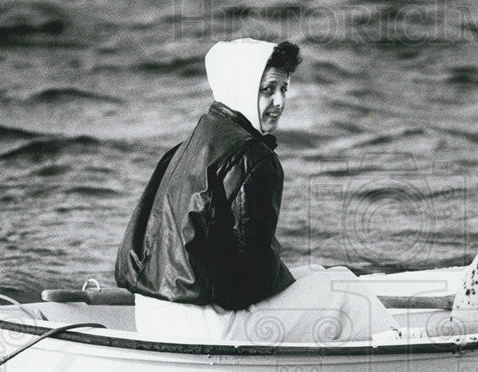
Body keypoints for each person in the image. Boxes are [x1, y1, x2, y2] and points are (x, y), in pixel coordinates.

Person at [115, 37, 400, 343]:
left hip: (151, 314)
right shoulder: (254, 157)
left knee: (319, 273)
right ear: (242, 87)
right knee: (346, 290)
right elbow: (249, 282)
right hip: (204, 329)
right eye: (267, 90)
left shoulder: (186, 147)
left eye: (284, 89)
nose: (279, 102)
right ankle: (400, 358)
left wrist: (304, 279)